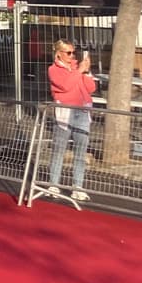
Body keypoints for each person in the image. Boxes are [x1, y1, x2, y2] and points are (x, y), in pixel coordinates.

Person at [46, 37, 96, 202]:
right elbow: (65, 85)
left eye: (73, 52)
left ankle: (78, 187)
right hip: (65, 112)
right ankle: (53, 184)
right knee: (59, 149)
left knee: (80, 152)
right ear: (59, 54)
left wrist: (86, 72)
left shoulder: (77, 68)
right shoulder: (53, 69)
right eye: (68, 52)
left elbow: (91, 88)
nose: (72, 56)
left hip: (82, 111)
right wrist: (79, 71)